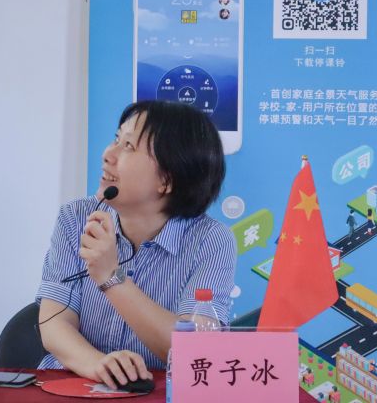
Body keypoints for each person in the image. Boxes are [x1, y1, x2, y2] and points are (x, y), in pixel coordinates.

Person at [36, 100, 236, 390]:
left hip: (157, 392)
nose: (108, 154)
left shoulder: (211, 241)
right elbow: (53, 322)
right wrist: (98, 365)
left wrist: (111, 278)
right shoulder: (76, 218)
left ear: (166, 179)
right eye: (116, 139)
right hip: (73, 383)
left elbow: (195, 352)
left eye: (128, 146)